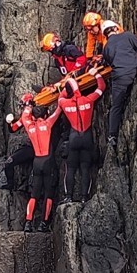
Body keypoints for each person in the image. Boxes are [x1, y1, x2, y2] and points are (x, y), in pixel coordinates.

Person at [100, 20, 137, 148]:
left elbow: (107, 61)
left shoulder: (106, 48)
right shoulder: (127, 36)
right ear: (116, 28)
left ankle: (112, 136)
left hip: (119, 77)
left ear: (105, 34)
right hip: (133, 71)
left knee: (116, 107)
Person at [57, 74, 105, 203]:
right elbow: (101, 87)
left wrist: (65, 87)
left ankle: (69, 196)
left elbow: (60, 97)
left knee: (71, 169)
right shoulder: (88, 99)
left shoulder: (64, 103)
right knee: (85, 168)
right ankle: (85, 197)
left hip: (74, 138)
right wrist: (96, 74)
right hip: (87, 137)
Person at [22, 103, 62, 232]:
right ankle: (43, 224)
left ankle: (28, 222)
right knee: (48, 194)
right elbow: (58, 110)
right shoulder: (48, 123)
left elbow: (24, 116)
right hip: (47, 161)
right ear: (45, 115)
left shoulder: (29, 126)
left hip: (37, 161)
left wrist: (28, 106)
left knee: (34, 194)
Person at [1, 93, 36, 192]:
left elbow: (13, 129)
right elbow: (13, 128)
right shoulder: (34, 115)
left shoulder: (26, 117)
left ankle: (10, 185)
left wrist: (9, 122)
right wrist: (9, 123)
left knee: (9, 163)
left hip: (33, 148)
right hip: (38, 148)